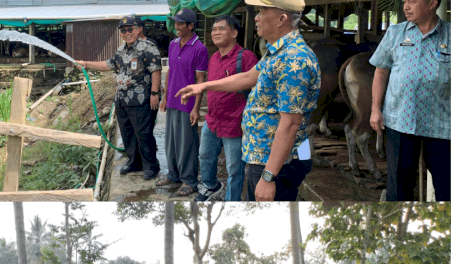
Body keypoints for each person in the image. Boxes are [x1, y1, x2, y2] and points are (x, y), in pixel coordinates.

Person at [177, 0, 320, 201]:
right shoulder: (276, 52)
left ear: (281, 19)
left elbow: (291, 124)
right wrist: (203, 86)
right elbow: (248, 77)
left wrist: (269, 176)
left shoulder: (293, 59)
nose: (256, 18)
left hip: (277, 163)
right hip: (262, 155)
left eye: (262, 11)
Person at [369, 0, 450, 201]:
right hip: (400, 120)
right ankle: (397, 229)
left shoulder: (449, 34)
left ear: (432, 3)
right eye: (404, 1)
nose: (406, 6)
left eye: (412, 1)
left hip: (442, 123)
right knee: (398, 187)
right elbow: (380, 71)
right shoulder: (396, 32)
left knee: (446, 185)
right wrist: (375, 110)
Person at [74, 16, 162, 180]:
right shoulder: (122, 50)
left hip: (141, 100)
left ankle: (151, 166)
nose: (126, 33)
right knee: (128, 133)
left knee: (143, 133)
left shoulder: (148, 47)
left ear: (138, 29)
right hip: (122, 99)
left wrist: (155, 94)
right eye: (123, 30)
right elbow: (109, 64)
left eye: (130, 29)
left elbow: (156, 70)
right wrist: (86, 64)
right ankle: (134, 162)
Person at [194, 15, 259, 202]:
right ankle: (209, 185)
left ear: (234, 33)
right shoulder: (213, 57)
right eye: (214, 29)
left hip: (234, 123)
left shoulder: (245, 57)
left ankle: (232, 201)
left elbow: (255, 87)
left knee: (234, 168)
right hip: (212, 120)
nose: (216, 32)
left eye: (221, 29)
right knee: (205, 156)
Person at [155, 8, 209, 196]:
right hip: (172, 101)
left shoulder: (199, 48)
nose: (176, 27)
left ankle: (189, 181)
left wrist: (196, 108)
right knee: (171, 142)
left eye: (180, 23)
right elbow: (170, 71)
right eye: (175, 23)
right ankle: (173, 174)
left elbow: (200, 80)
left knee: (187, 143)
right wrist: (165, 97)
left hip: (187, 103)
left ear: (191, 26)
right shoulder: (173, 44)